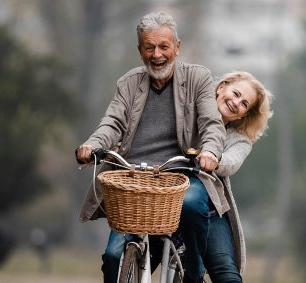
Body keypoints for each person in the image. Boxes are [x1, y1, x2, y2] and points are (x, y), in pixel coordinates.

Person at [75, 11, 227, 283]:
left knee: (192, 204)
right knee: (112, 257)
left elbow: (212, 124)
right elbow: (111, 122)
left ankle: (193, 272)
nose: (157, 54)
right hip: (133, 179)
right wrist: (92, 144)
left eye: (164, 46)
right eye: (149, 47)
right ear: (140, 50)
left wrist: (210, 152)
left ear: (177, 48)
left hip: (181, 175)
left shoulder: (198, 78)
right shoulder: (129, 83)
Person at [194, 71, 274, 282]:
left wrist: (215, 160)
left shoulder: (240, 140)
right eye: (236, 93)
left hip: (211, 208)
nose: (236, 102)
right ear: (221, 87)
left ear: (243, 115)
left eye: (244, 103)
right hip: (162, 199)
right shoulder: (189, 111)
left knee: (226, 272)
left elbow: (231, 162)